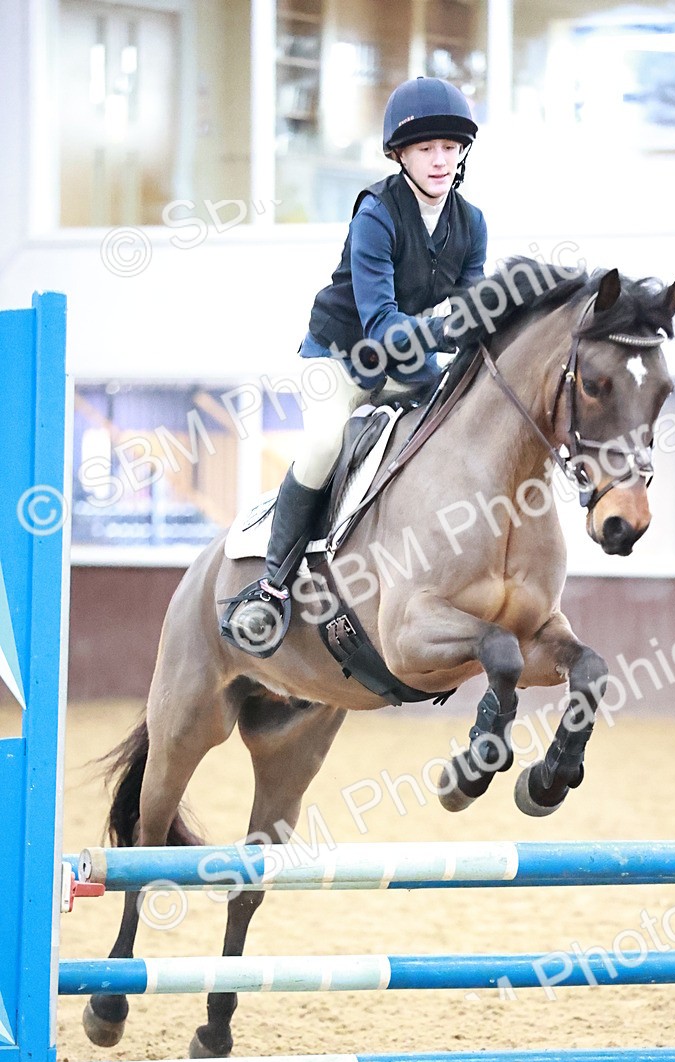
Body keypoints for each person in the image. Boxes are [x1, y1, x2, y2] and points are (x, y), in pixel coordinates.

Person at [223, 76, 487, 657]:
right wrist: (449, 330)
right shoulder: (376, 212)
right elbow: (382, 323)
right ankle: (270, 586)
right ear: (400, 155)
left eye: (449, 147)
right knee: (322, 444)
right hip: (340, 358)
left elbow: (474, 311)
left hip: (406, 363)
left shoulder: (471, 223)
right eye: (425, 149)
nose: (440, 160)